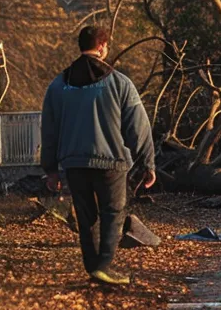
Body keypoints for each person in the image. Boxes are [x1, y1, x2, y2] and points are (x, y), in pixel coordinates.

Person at [40, 26, 156, 285]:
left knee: (86, 216)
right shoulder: (119, 82)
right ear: (102, 46)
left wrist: (51, 168)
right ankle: (103, 265)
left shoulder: (59, 85)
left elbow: (49, 128)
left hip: (74, 163)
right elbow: (138, 125)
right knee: (113, 212)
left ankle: (93, 268)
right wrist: (147, 161)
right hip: (111, 162)